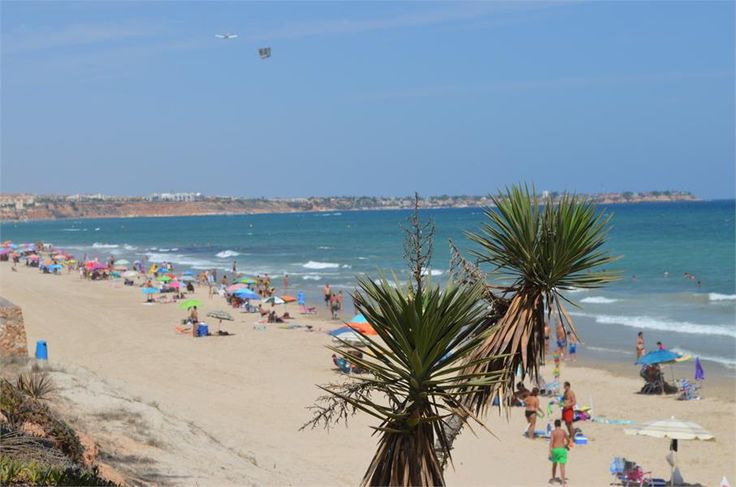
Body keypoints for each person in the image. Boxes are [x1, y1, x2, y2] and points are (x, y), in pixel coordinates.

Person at [549, 419, 569, 486]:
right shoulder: (563, 431)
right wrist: (566, 445)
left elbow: (551, 442)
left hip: (555, 450)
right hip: (562, 449)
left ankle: (553, 480)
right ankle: (562, 482)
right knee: (562, 467)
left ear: (555, 425)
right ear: (560, 425)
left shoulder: (553, 432)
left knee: (554, 465)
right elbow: (568, 440)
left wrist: (550, 452)